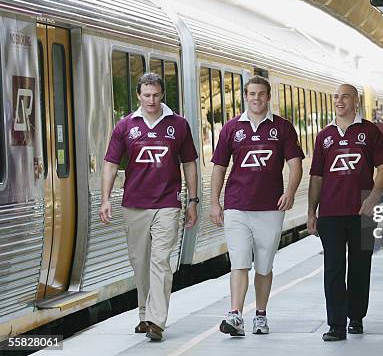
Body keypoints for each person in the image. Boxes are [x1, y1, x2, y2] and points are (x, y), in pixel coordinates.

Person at [99, 72, 198, 341]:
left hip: (167, 203)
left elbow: (189, 162)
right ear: (138, 96)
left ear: (162, 94)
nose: (151, 100)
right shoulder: (125, 126)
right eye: (146, 95)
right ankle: (144, 314)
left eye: (155, 95)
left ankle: (156, 320)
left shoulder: (178, 125)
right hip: (134, 205)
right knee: (140, 263)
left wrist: (192, 200)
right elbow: (110, 163)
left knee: (160, 261)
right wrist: (105, 198)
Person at [210, 75, 304, 337]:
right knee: (239, 262)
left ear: (268, 96)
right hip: (237, 207)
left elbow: (295, 163)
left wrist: (290, 192)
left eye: (261, 94)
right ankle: (236, 315)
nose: (256, 98)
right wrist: (214, 202)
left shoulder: (283, 128)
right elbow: (219, 166)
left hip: (271, 208)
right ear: (245, 96)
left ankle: (260, 315)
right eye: (252, 94)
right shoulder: (230, 128)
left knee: (264, 266)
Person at [307, 84, 383, 341]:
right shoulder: (324, 136)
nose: (339, 101)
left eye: (345, 97)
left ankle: (356, 317)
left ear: (356, 101)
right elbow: (317, 177)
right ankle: (336, 324)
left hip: (363, 213)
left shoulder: (370, 132)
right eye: (336, 97)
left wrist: (374, 197)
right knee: (333, 267)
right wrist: (312, 211)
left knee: (360, 265)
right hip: (331, 214)